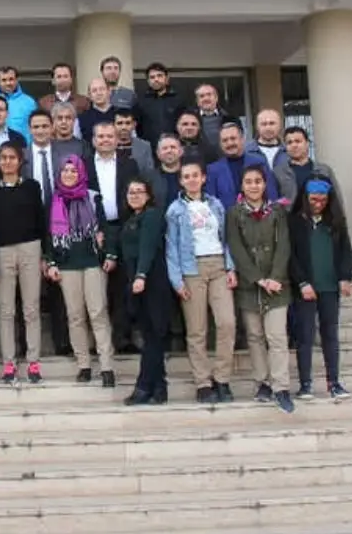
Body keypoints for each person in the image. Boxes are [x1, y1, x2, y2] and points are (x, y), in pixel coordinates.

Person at [165, 160, 236, 404]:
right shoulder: (175, 210)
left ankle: (222, 378)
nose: (192, 180)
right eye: (187, 176)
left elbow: (225, 238)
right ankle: (203, 382)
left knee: (227, 323)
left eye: (196, 175)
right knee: (197, 330)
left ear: (203, 178)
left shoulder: (215, 205)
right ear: (181, 181)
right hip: (191, 269)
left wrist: (230, 267)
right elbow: (171, 248)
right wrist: (177, 281)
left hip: (217, 265)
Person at [226, 165, 295, 414]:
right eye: (248, 182)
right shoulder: (234, 214)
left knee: (276, 337)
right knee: (255, 336)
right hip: (249, 286)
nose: (253, 186)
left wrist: (275, 277)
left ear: (264, 185)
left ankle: (281, 386)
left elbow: (284, 245)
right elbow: (236, 247)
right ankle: (262, 382)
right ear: (242, 186)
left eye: (258, 181)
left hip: (277, 286)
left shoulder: (277, 211)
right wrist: (257, 279)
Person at [45, 156, 115, 387]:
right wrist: (51, 263)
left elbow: (106, 227)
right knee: (75, 316)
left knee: (98, 313)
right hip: (67, 264)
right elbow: (49, 237)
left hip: (92, 262)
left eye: (73, 170)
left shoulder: (93, 197)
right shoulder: (54, 200)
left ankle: (106, 366)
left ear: (81, 173)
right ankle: (84, 364)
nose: (68, 174)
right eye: (64, 170)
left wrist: (109, 252)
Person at [288, 177, 352, 402]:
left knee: (330, 335)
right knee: (305, 336)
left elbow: (346, 251)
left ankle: (333, 382)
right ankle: (305, 383)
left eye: (323, 200)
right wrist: (302, 282)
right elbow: (291, 256)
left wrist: (346, 277)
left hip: (329, 286)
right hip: (305, 288)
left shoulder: (335, 221)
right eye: (313, 199)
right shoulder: (295, 222)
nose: (318, 204)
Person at [0, 141, 47, 384]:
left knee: (31, 308)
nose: (8, 162)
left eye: (12, 157)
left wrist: (45, 255)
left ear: (20, 161)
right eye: (4, 158)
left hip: (30, 248)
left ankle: (33, 362)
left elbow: (41, 220)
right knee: (6, 309)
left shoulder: (32, 187)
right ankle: (8, 363)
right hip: (3, 252)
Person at [86, 121, 142, 355]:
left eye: (110, 136)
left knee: (122, 285)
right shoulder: (85, 165)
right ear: (93, 140)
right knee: (95, 287)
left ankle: (122, 338)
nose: (106, 140)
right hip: (95, 229)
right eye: (101, 136)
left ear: (117, 139)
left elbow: (138, 196)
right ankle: (96, 342)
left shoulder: (130, 165)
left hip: (123, 226)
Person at [117, 177, 171, 406]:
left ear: (148, 195)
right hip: (136, 283)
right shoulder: (130, 220)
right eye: (131, 192)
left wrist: (141, 275)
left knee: (153, 336)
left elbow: (147, 246)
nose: (135, 195)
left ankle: (144, 386)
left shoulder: (152, 215)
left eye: (140, 191)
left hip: (152, 280)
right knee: (150, 334)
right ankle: (159, 387)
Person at [22, 108, 71, 356]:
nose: (40, 131)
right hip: (28, 227)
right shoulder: (20, 157)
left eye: (44, 126)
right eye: (36, 127)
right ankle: (24, 345)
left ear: (52, 128)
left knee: (60, 284)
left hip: (61, 224)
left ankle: (63, 341)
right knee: (26, 287)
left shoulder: (66, 154)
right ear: (29, 130)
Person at [206, 122, 279, 206]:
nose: (229, 143)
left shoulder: (259, 162)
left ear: (242, 139)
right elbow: (211, 204)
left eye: (233, 138)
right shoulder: (213, 170)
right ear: (220, 144)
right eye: (225, 140)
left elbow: (271, 195)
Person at [283, 126, 344, 213]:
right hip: (290, 222)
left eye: (298, 141)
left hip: (322, 222)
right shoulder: (279, 173)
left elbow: (336, 199)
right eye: (289, 142)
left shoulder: (324, 170)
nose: (294, 145)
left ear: (307, 143)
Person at [247, 109, 297, 202]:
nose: (268, 127)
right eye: (264, 124)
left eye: (272, 123)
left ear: (280, 126)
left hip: (287, 208)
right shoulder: (246, 152)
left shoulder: (289, 152)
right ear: (257, 127)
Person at [0, 65, 37, 142]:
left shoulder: (29, 102)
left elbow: (35, 126)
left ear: (17, 80)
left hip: (23, 147)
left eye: (11, 79)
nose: (8, 83)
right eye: (4, 80)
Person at [136, 62, 182, 142]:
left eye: (159, 76)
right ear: (148, 81)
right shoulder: (140, 101)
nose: (156, 79)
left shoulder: (178, 100)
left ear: (167, 78)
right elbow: (137, 127)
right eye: (152, 77)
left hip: (173, 147)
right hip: (149, 148)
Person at [154, 134, 184, 208]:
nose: (169, 151)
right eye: (164, 148)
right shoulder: (148, 179)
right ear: (158, 153)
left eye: (173, 147)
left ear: (181, 151)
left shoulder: (191, 176)